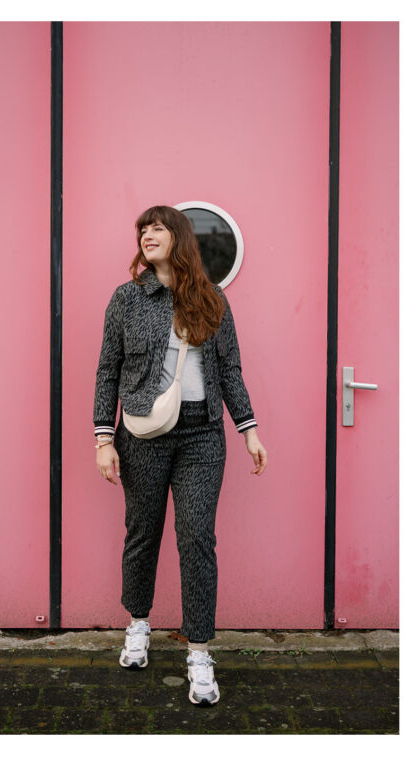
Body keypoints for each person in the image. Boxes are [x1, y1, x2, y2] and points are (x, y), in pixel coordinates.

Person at [93, 205, 267, 706]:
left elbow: (230, 369)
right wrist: (104, 439)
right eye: (142, 229)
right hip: (143, 435)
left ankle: (199, 651)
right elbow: (107, 369)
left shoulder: (211, 300)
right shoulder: (127, 299)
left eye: (157, 228)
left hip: (202, 436)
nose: (147, 234)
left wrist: (249, 430)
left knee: (196, 539)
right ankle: (139, 624)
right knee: (143, 532)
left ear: (179, 238)